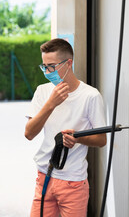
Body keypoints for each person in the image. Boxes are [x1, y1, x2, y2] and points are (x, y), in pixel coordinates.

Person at [25, 38, 107, 217]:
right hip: (44, 177)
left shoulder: (90, 96)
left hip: (73, 183)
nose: (47, 72)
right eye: (44, 66)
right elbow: (29, 133)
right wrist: (50, 104)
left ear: (68, 63)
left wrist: (78, 138)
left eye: (52, 66)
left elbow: (101, 140)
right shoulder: (42, 91)